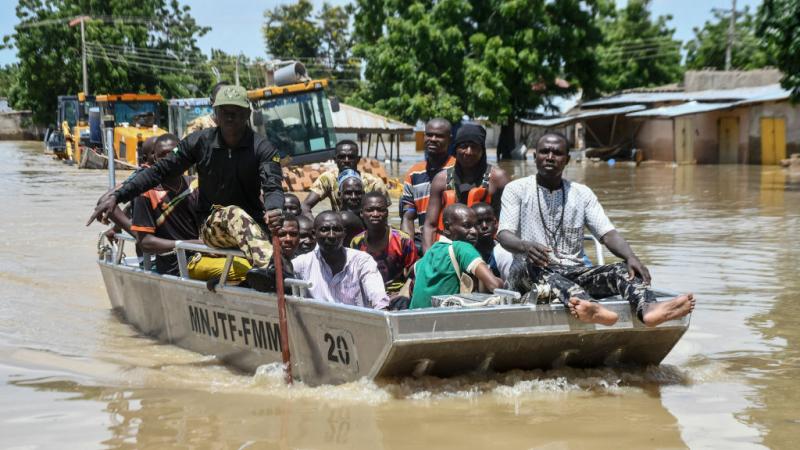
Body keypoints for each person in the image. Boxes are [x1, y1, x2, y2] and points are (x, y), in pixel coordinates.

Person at [88, 85, 285, 289]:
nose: (230, 116)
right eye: (224, 111)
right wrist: (118, 196)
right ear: (216, 114)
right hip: (212, 227)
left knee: (287, 225)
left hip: (252, 226)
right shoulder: (198, 142)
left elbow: (273, 187)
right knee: (233, 213)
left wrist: (275, 210)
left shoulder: (264, 148)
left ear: (247, 114)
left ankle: (279, 278)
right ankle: (275, 273)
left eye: (236, 111)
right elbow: (159, 172)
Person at [497, 132, 695, 326]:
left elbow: (607, 234)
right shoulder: (517, 189)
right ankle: (589, 306)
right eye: (544, 152)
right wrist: (525, 246)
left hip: (573, 272)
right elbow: (504, 234)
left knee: (622, 269)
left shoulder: (582, 194)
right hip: (527, 274)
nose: (550, 157)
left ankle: (648, 310)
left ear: (567, 159)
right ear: (534, 157)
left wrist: (631, 257)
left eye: (557, 153)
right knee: (536, 267)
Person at [423, 123, 510, 251]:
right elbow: (430, 225)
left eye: (474, 147)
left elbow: (510, 222)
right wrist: (428, 259)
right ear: (455, 149)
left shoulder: (498, 179)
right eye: (463, 146)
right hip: (451, 248)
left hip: (488, 248)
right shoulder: (441, 180)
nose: (469, 152)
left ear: (482, 150)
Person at [128, 134, 202, 275]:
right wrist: (186, 245)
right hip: (175, 266)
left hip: (205, 255)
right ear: (155, 159)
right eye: (163, 155)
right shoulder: (146, 192)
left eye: (174, 153)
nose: (170, 159)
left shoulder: (196, 185)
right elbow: (145, 242)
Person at [410, 204, 504, 309]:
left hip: (414, 319)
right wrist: (504, 282)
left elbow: (411, 271)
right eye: (467, 226)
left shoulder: (431, 251)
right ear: (447, 228)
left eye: (474, 225)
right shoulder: (462, 248)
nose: (474, 231)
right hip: (444, 320)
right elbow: (494, 285)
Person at [292, 211, 390, 309]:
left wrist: (383, 310)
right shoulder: (302, 264)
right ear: (314, 234)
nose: (331, 235)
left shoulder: (362, 261)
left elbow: (377, 295)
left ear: (344, 233)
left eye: (336, 229)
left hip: (357, 322)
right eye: (324, 229)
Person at [399, 118, 456, 246]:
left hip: (452, 242)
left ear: (450, 139)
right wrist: (408, 250)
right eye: (429, 134)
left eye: (439, 136)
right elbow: (408, 217)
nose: (433, 139)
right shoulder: (414, 173)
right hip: (424, 241)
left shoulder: (458, 170)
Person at [350, 191, 418, 296]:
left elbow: (414, 274)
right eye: (370, 210)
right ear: (361, 213)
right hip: (367, 294)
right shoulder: (356, 242)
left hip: (398, 294)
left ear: (386, 213)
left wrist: (404, 295)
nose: (375, 214)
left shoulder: (403, 240)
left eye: (380, 210)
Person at [301, 140, 389, 215]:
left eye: (351, 157)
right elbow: (305, 206)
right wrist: (314, 228)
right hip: (338, 227)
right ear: (335, 159)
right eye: (342, 157)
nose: (346, 161)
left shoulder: (374, 183)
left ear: (358, 159)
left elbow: (383, 214)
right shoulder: (328, 179)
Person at [472, 202, 513, 278]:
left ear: (495, 222)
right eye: (478, 222)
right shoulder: (470, 254)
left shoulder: (504, 251)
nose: (484, 226)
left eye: (488, 220)